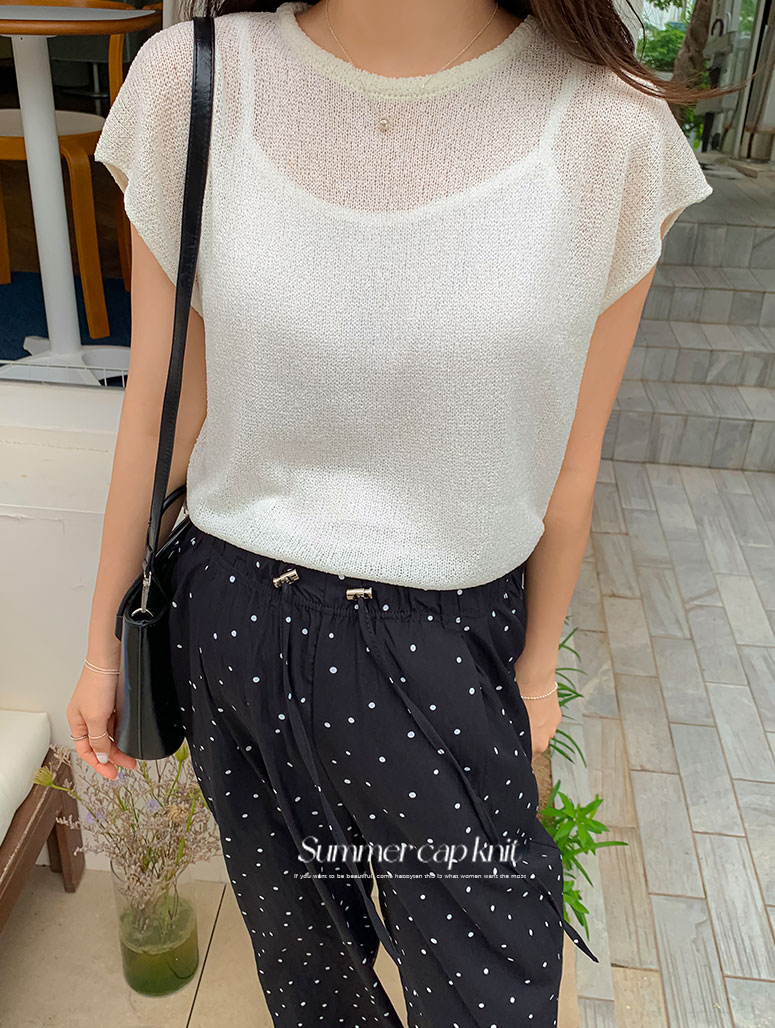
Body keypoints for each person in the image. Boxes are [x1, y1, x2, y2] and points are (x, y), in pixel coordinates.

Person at [68, 1, 717, 1024]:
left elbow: (571, 457)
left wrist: (535, 672)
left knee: (491, 985)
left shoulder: (611, 129)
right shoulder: (194, 82)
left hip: (447, 641)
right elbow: (162, 403)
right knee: (307, 975)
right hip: (232, 617)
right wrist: (105, 648)